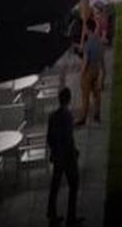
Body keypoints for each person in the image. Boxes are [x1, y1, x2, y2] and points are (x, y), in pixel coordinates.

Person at [46, 86, 81, 225]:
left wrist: (55, 151)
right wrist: (74, 152)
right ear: (69, 99)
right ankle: (71, 217)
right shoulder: (67, 116)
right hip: (67, 157)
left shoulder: (52, 117)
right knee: (74, 185)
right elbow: (68, 138)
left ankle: (52, 213)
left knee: (55, 186)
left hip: (57, 156)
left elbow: (49, 138)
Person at [76, 15, 104, 125]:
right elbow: (101, 57)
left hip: (88, 71)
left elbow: (85, 61)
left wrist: (82, 73)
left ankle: (83, 117)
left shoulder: (88, 44)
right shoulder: (98, 41)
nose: (85, 31)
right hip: (96, 69)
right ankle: (97, 114)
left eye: (85, 29)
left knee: (85, 96)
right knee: (96, 94)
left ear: (88, 29)